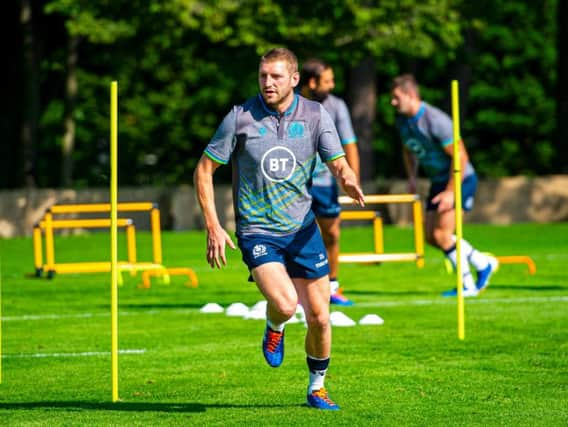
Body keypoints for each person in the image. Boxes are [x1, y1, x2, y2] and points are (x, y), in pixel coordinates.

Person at [193, 47, 365, 410]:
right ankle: (275, 327)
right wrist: (213, 224)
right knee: (287, 305)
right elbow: (204, 170)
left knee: (320, 316)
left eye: (275, 76)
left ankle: (316, 388)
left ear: (294, 79)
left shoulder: (317, 115)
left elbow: (337, 161)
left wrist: (348, 178)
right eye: (263, 76)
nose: (268, 83)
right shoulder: (240, 117)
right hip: (258, 231)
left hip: (303, 228)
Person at [390, 74, 497, 297]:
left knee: (442, 234)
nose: (393, 102)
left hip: (460, 179)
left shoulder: (434, 120)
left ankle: (467, 285)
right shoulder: (402, 121)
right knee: (430, 236)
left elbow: (460, 156)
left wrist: (450, 191)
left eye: (396, 98)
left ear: (411, 96)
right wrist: (412, 177)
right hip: (438, 180)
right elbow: (408, 149)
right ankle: (482, 263)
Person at [299, 59, 361, 307]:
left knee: (332, 233)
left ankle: (333, 286)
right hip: (294, 183)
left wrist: (352, 177)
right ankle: (294, 290)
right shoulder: (290, 104)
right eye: (328, 81)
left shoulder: (336, 106)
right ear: (311, 82)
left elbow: (349, 142)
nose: (332, 85)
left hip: (325, 182)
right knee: (294, 235)